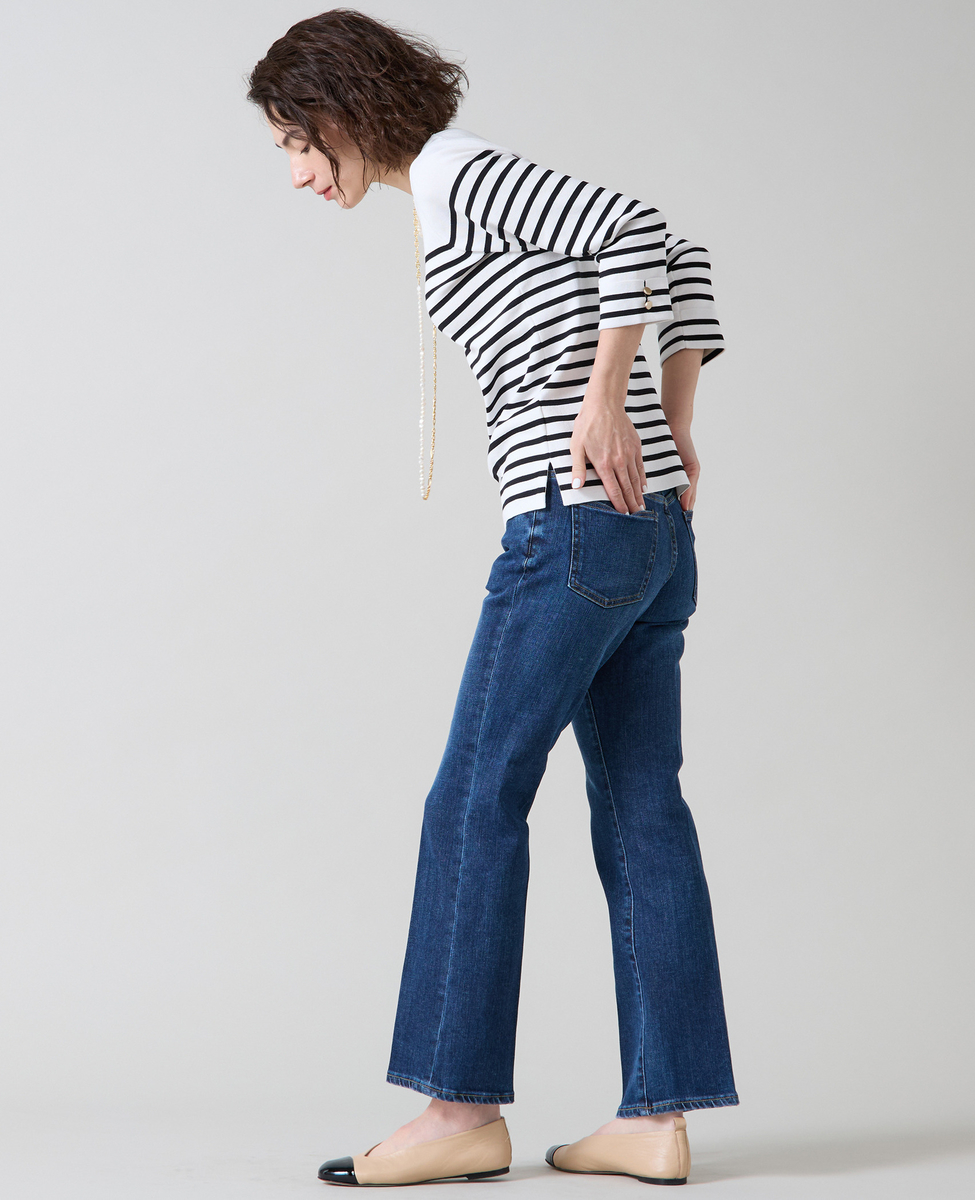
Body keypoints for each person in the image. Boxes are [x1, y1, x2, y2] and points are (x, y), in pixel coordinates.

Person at [248, 8, 738, 1188]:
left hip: (570, 528)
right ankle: (657, 1117)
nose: (299, 173)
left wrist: (614, 400)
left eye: (297, 142)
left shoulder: (456, 173)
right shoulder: (446, 192)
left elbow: (635, 227)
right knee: (642, 809)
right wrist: (673, 423)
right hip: (648, 536)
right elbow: (683, 251)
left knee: (473, 799)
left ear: (343, 109)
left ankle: (458, 1109)